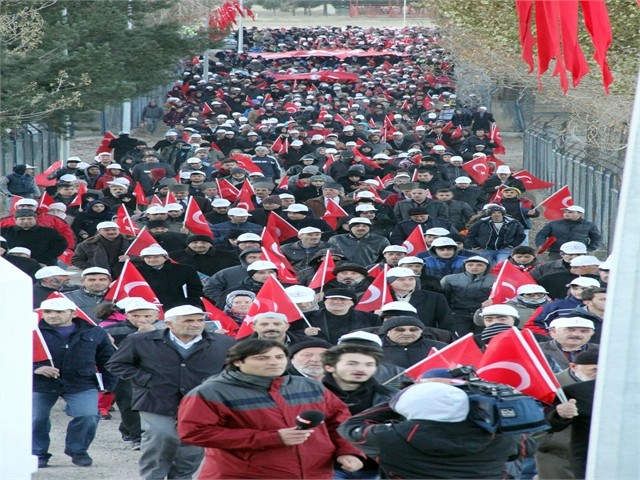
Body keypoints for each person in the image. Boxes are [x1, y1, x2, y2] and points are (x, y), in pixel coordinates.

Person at [177, 339, 364, 479]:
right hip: (244, 474)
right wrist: (273, 438)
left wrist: (348, 451)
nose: (274, 362)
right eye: (262, 358)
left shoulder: (310, 386)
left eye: (279, 357)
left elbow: (340, 422)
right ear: (238, 362)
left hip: (316, 473)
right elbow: (194, 433)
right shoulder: (211, 392)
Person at [107, 305, 236, 480]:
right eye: (189, 320)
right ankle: (153, 477)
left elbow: (233, 369)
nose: (196, 324)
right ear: (169, 324)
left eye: (200, 320)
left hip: (201, 402)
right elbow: (116, 364)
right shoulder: (139, 341)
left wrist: (217, 386)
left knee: (192, 444)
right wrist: (146, 380)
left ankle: (182, 477)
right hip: (156, 399)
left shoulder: (224, 343)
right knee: (160, 437)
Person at [338, 382, 518, 479]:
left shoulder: (389, 438)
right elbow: (526, 448)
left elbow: (350, 426)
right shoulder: (500, 436)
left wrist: (395, 402)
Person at [33, 297, 117, 468]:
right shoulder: (31, 330)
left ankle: (78, 450)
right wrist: (34, 369)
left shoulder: (95, 332)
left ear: (73, 313)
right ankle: (37, 453)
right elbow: (9, 354)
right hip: (40, 382)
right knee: (36, 418)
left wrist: (109, 384)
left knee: (88, 416)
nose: (52, 315)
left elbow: (108, 359)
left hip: (81, 381)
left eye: (59, 312)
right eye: (48, 312)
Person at [322, 343, 397, 479]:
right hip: (325, 466)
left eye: (369, 364)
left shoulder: (391, 396)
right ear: (329, 366)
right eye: (352, 364)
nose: (361, 369)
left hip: (377, 467)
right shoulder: (310, 395)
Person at [102, 299, 160, 449]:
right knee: (129, 404)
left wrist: (153, 333)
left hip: (155, 372)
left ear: (157, 315)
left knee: (150, 404)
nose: (141, 319)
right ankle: (137, 437)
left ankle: (126, 428)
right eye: (136, 315)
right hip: (124, 373)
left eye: (147, 316)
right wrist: (103, 340)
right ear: (127, 315)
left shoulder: (166, 329)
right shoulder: (112, 330)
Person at [535, 350, 598, 480]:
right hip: (568, 453)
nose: (599, 375)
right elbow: (545, 419)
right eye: (594, 370)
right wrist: (560, 414)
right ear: (574, 367)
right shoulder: (571, 390)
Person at [301, 289, 381, 345]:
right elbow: (292, 334)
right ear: (325, 301)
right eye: (332, 299)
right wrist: (304, 332)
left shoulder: (371, 318)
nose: (337, 302)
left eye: (343, 299)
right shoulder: (307, 317)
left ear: (352, 303)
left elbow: (379, 335)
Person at [440, 256, 496, 335]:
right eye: (470, 265)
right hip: (458, 314)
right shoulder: (449, 279)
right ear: (464, 266)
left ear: (487, 266)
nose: (474, 267)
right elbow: (443, 298)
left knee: (482, 340)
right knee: (460, 339)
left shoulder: (495, 280)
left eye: (480, 265)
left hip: (484, 313)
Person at [136, 245, 203, 309]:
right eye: (148, 257)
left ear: (165, 257)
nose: (152, 260)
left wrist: (190, 303)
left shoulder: (185, 269)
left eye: (156, 257)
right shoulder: (136, 271)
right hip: (148, 307)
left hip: (181, 306)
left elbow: (196, 288)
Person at [1, 209, 68, 265]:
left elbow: (61, 244)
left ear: (35, 219)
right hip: (11, 264)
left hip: (43, 263)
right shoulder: (3, 231)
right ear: (15, 219)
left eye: (29, 219)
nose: (26, 221)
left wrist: (48, 256)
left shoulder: (49, 232)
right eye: (22, 219)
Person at [378, 316, 448, 368]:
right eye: (400, 330)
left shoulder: (440, 348)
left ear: (421, 332)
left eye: (413, 330)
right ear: (387, 332)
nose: (407, 333)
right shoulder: (375, 348)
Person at [535, 206, 602, 259]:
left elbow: (597, 238)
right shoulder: (553, 224)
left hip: (579, 254)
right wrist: (541, 245)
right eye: (565, 212)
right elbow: (541, 235)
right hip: (557, 253)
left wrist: (589, 249)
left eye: (570, 212)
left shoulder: (589, 225)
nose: (566, 214)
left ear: (579, 213)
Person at [247, 312, 312, 346]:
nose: (271, 328)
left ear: (287, 326)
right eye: (264, 324)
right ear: (254, 327)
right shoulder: (242, 347)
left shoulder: (308, 343)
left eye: (277, 324)